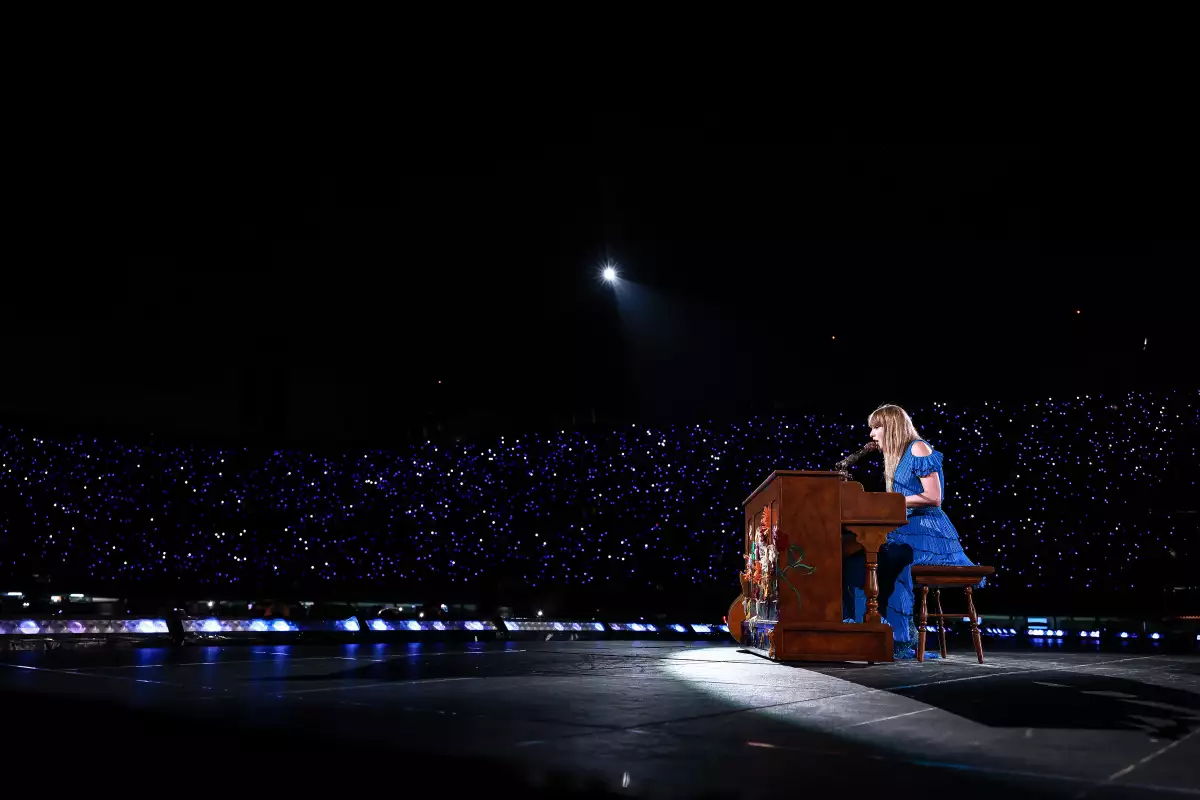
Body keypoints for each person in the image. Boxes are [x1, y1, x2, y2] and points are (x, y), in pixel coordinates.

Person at [843, 404, 982, 659]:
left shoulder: (918, 447)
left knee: (885, 559)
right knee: (860, 559)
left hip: (928, 533)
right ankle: (865, 626)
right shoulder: (896, 458)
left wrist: (890, 502)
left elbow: (934, 496)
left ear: (892, 426)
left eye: (876, 427)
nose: (872, 435)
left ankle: (894, 636)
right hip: (905, 528)